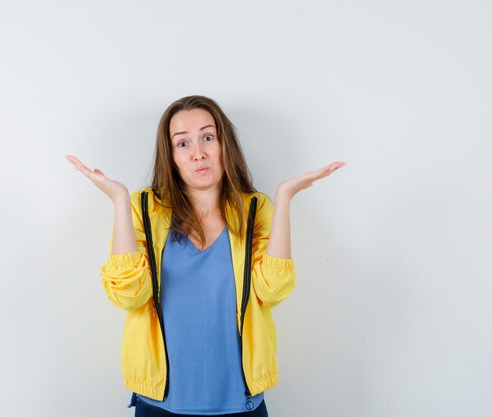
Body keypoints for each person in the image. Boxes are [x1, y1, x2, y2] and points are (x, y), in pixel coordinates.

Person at [67, 95, 345, 417]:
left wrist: (284, 198)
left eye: (208, 137)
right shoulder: (143, 208)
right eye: (182, 144)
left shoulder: (255, 209)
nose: (198, 152)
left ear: (224, 144)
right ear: (170, 156)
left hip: (241, 403)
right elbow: (129, 296)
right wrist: (118, 200)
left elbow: (272, 290)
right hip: (160, 405)